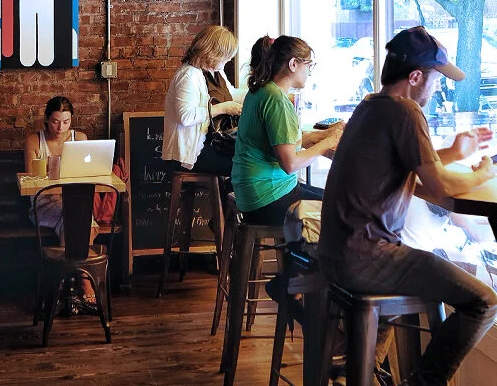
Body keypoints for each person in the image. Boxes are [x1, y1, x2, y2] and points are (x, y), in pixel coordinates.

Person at [318, 26, 497, 386]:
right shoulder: (406, 112)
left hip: (338, 252)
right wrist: (484, 172)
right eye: (436, 79)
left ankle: (353, 371)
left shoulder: (371, 105)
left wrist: (452, 153)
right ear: (415, 77)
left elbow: (402, 169)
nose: (439, 87)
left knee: (412, 267)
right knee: (484, 301)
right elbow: (442, 188)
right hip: (367, 257)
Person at [232, 35, 344, 226]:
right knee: (344, 209)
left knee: (336, 200)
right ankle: (302, 254)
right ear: (293, 64)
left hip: (253, 192)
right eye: (309, 65)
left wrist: (325, 135)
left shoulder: (261, 90)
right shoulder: (276, 100)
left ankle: (299, 254)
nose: (310, 71)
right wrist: (328, 143)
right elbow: (290, 163)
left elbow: (283, 142)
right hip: (268, 198)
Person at [24, 96, 99, 312]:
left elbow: (88, 174)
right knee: (80, 220)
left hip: (73, 201)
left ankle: (63, 282)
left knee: (76, 217)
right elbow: (32, 178)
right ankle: (83, 280)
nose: (61, 127)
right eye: (56, 121)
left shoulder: (80, 138)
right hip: (43, 204)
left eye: (66, 122)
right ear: (47, 119)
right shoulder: (34, 141)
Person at [162, 25, 245, 177]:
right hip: (193, 152)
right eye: (226, 56)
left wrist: (261, 95)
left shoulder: (216, 72)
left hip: (213, 143)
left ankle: (233, 198)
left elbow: (232, 94)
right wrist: (224, 108)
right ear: (213, 53)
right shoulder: (189, 75)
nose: (229, 59)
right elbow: (185, 117)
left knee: (251, 159)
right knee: (247, 166)